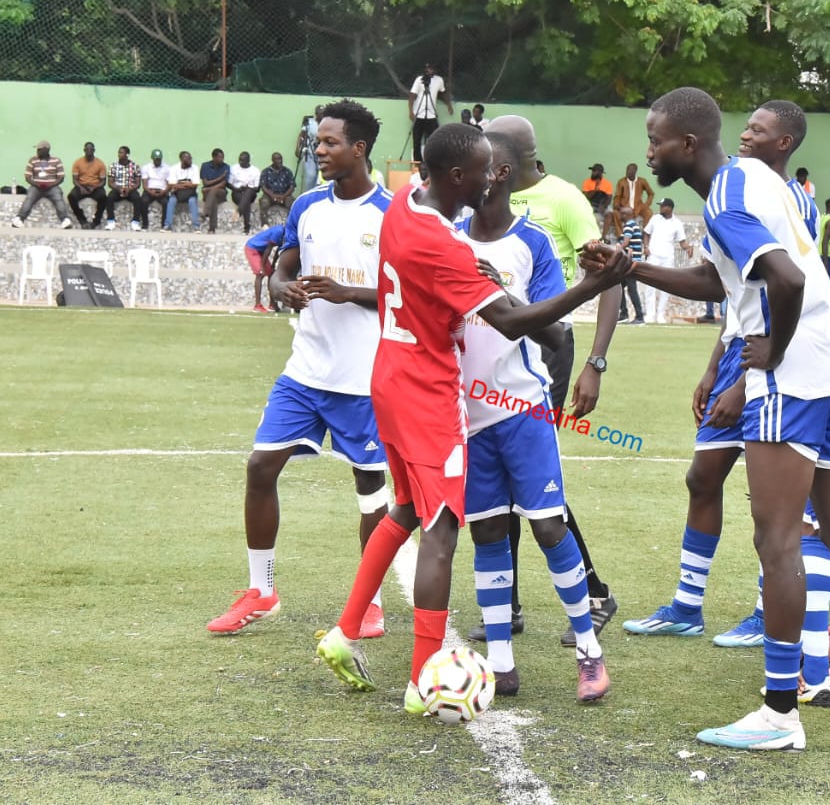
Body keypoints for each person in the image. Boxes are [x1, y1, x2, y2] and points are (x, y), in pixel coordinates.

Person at [593, 86, 830, 751]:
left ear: (687, 144)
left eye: (655, 138)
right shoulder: (752, 180)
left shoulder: (726, 195)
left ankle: (779, 713)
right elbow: (724, 282)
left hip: (792, 378)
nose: (648, 150)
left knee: (778, 540)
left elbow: (785, 280)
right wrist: (634, 268)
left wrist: (769, 351)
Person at [315, 123, 628, 712]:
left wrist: (569, 333)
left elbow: (534, 322)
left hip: (445, 391)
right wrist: (593, 285)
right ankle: (423, 680)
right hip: (438, 399)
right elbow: (510, 318)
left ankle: (346, 629)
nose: (492, 177)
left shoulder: (406, 206)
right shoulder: (448, 242)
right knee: (448, 530)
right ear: (460, 177)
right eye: (483, 168)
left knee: (422, 511)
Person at [622, 99, 830, 655]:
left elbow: (784, 286)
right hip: (749, 349)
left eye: (759, 130)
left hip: (782, 360)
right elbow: (731, 288)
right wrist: (717, 364)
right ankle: (688, 605)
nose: (746, 136)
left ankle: (774, 620)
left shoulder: (761, 197)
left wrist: (752, 373)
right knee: (703, 477)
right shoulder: (734, 190)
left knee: (783, 515)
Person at [207, 99, 393, 638]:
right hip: (306, 370)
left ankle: (371, 602)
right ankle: (261, 590)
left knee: (370, 489)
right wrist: (280, 287)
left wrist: (347, 293)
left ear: (359, 149)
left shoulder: (392, 212)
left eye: (331, 142)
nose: (320, 149)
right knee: (260, 468)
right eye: (318, 141)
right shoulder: (308, 205)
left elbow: (407, 293)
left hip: (364, 378)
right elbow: (285, 262)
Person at [458, 129, 612, 701]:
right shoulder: (446, 239)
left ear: (495, 174)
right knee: (489, 532)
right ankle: (500, 662)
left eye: (471, 167)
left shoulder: (534, 243)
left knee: (548, 525)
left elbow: (551, 330)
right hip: (466, 415)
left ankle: (590, 653)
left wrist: (502, 294)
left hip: (521, 405)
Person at [642, 198, 688, 323]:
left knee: (665, 286)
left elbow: (682, 241)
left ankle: (660, 314)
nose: (661, 208)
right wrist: (646, 247)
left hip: (668, 257)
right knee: (649, 285)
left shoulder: (677, 223)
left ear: (670, 208)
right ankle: (650, 314)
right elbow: (646, 233)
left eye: (663, 206)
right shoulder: (655, 218)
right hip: (654, 255)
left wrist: (688, 248)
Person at [11, 140, 71, 228]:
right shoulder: (32, 160)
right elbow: (27, 177)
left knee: (58, 198)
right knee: (29, 198)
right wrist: (36, 184)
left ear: (46, 150)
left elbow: (61, 177)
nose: (37, 151)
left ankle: (65, 220)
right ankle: (19, 219)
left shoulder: (56, 161)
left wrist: (51, 185)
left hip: (52, 187)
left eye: (39, 150)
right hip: (36, 187)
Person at [407, 62, 454, 162]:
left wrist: (449, 105)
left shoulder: (439, 80)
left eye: (432, 69)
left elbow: (442, 94)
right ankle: (418, 163)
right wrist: (411, 112)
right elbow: (412, 96)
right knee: (416, 142)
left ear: (435, 70)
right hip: (419, 114)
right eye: (428, 69)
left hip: (432, 115)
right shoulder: (419, 80)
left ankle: (431, 161)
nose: (430, 70)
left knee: (433, 141)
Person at [243, 224, 284, 313]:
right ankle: (257, 305)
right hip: (253, 248)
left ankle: (272, 304)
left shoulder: (288, 235)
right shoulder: (279, 231)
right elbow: (268, 249)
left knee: (272, 274)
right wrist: (262, 266)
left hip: (261, 251)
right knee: (260, 274)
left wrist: (272, 265)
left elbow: (278, 252)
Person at [616, 206, 646, 324]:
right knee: (619, 286)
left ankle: (639, 316)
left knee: (631, 289)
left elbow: (626, 243)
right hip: (632, 261)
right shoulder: (634, 224)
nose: (619, 216)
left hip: (631, 263)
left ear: (626, 215)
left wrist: (616, 249)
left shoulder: (629, 225)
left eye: (621, 214)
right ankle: (624, 314)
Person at [67, 142, 107, 229]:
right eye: (87, 149)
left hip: (95, 187)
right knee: (71, 197)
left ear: (94, 150)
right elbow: (75, 179)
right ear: (84, 150)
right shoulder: (78, 162)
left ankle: (96, 221)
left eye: (91, 149)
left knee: (103, 197)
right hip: (81, 186)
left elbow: (103, 181)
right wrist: (81, 188)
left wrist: (94, 187)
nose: (89, 151)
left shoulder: (100, 163)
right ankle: (82, 220)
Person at [104, 146, 144, 231]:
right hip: (118, 189)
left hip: (130, 189)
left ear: (127, 154)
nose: (119, 154)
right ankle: (111, 221)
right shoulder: (113, 166)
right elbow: (110, 183)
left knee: (137, 198)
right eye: (119, 152)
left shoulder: (135, 166)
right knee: (110, 198)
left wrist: (130, 189)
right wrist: (119, 188)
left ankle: (135, 222)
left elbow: (138, 183)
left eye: (121, 152)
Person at [611, 162, 655, 230]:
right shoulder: (621, 182)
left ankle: (645, 233)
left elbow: (651, 193)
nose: (628, 172)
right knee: (615, 213)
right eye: (627, 170)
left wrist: (646, 205)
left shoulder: (642, 181)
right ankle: (620, 235)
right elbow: (617, 196)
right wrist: (617, 206)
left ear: (635, 171)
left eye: (630, 170)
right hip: (625, 206)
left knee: (649, 213)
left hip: (639, 206)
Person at [164, 151, 201, 231]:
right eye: (189, 159)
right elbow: (173, 185)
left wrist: (180, 184)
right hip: (177, 194)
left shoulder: (195, 168)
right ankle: (168, 225)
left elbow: (195, 184)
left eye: (191, 158)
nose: (191, 160)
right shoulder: (174, 168)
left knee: (192, 202)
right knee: (171, 202)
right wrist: (187, 184)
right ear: (182, 159)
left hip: (191, 193)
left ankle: (196, 226)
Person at [295, 105, 325, 195]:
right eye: (320, 113)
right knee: (310, 177)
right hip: (310, 154)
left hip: (323, 155)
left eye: (323, 113)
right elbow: (301, 135)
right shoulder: (310, 123)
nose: (321, 115)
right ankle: (307, 198)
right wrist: (298, 148)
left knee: (320, 178)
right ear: (316, 114)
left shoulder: (327, 123)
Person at [229, 151, 261, 235]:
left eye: (243, 160)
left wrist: (248, 187)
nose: (240, 162)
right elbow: (229, 183)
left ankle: (239, 212)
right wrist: (237, 188)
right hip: (237, 193)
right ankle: (247, 227)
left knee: (248, 191)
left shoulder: (255, 170)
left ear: (248, 160)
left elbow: (257, 188)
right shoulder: (234, 168)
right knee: (245, 202)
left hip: (251, 193)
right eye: (240, 160)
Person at [259, 152, 295, 226]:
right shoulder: (266, 171)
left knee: (293, 203)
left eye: (280, 159)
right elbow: (263, 186)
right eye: (277, 159)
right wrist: (272, 196)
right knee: (264, 202)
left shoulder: (287, 171)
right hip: (270, 195)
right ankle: (265, 224)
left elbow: (292, 186)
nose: (280, 161)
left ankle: (291, 224)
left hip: (285, 195)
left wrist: (284, 196)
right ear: (272, 160)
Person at [200, 148, 230, 234]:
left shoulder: (226, 167)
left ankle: (205, 213)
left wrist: (210, 188)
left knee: (212, 192)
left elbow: (223, 184)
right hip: (208, 194)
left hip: (221, 193)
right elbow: (205, 182)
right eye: (220, 157)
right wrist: (220, 178)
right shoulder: (205, 166)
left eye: (223, 157)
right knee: (213, 200)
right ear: (213, 157)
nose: (222, 160)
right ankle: (212, 228)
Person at [141, 149, 171, 231]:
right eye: (156, 159)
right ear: (152, 158)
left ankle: (164, 225)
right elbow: (144, 184)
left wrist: (164, 191)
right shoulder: (146, 167)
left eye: (159, 159)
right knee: (143, 201)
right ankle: (144, 224)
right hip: (149, 190)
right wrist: (150, 191)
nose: (158, 161)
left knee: (166, 203)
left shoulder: (167, 168)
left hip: (162, 190)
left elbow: (169, 183)